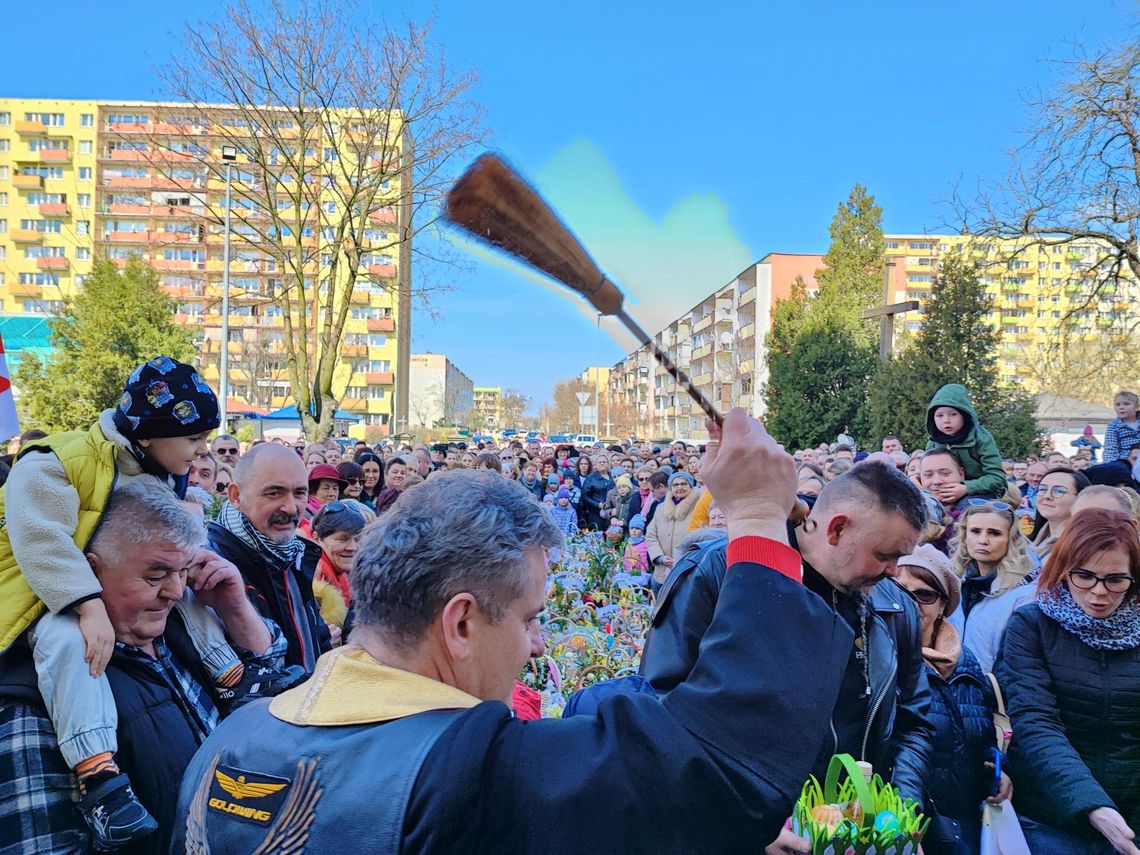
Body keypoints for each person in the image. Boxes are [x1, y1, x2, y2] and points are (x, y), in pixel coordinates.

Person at [173, 410, 859, 852]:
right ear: (461, 621)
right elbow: (719, 765)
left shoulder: (228, 741)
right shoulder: (470, 772)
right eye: (530, 617)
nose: (537, 645)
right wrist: (763, 520)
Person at [0, 357, 270, 849]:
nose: (202, 452)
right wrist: (87, 604)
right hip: (38, 586)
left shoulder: (152, 471)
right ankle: (99, 777)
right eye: (194, 440)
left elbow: (165, 551)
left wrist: (198, 576)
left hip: (86, 586)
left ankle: (231, 674)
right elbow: (40, 541)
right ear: (149, 434)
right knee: (71, 643)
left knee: (190, 588)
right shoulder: (55, 461)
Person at [640, 459, 933, 842]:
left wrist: (894, 815)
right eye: (884, 555)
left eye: (900, 557)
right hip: (746, 831)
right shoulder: (719, 573)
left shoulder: (894, 606)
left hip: (855, 834)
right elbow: (660, 709)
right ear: (838, 528)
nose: (895, 571)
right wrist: (744, 823)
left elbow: (914, 720)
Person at [0, 480, 293, 854]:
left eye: (183, 571)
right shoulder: (32, 701)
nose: (174, 591)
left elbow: (277, 698)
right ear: (88, 572)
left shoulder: (184, 629)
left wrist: (235, 608)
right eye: (155, 576)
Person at [994, 509, 1140, 855]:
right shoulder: (1031, 625)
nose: (1098, 592)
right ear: (1063, 570)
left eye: (1116, 579)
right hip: (1051, 814)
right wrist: (1092, 805)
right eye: (1084, 576)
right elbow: (1036, 721)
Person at [894, 545, 1012, 855]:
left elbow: (983, 731)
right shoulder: (876, 660)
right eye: (899, 590)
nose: (911, 603)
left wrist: (1000, 769)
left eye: (925, 595)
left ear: (943, 605)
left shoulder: (966, 662)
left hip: (962, 826)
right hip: (897, 821)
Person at [208, 444, 333, 672]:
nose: (290, 507)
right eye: (274, 493)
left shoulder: (293, 553)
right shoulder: (213, 566)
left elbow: (313, 640)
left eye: (299, 493)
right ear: (236, 495)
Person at [953, 500, 1039, 673]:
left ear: (1011, 539)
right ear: (964, 535)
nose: (983, 540)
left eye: (994, 533)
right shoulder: (955, 581)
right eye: (975, 531)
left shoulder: (1025, 594)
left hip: (995, 690)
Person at [925, 384, 1008, 501]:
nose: (946, 420)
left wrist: (966, 488)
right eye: (939, 415)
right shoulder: (933, 442)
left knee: (966, 510)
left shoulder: (981, 438)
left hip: (979, 492)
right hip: (941, 493)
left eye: (953, 414)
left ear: (964, 415)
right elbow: (926, 474)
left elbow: (997, 478)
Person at [310, 501, 366, 633]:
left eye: (357, 539)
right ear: (316, 538)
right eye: (342, 539)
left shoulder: (345, 574)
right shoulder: (310, 581)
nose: (352, 547)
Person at [646, 472, 701, 590]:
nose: (679, 488)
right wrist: (659, 556)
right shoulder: (661, 508)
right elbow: (651, 535)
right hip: (662, 571)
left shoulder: (699, 506)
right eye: (675, 485)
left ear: (690, 486)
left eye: (683, 484)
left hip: (687, 570)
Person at [1032, 467, 1091, 561]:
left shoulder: (1081, 547)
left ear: (1080, 498)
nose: (1047, 496)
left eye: (1059, 491)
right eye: (1042, 489)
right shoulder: (1035, 539)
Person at [579, 454, 615, 531]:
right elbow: (584, 496)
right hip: (596, 513)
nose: (602, 463)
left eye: (604, 462)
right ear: (595, 465)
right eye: (599, 462)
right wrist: (597, 504)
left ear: (608, 464)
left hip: (612, 512)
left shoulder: (613, 476)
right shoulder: (591, 478)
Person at [1104, 390, 1140, 464]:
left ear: (1137, 407)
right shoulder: (1114, 425)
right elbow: (1111, 447)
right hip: (1124, 460)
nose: (1121, 407)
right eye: (1118, 405)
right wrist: (1111, 465)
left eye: (1126, 404)